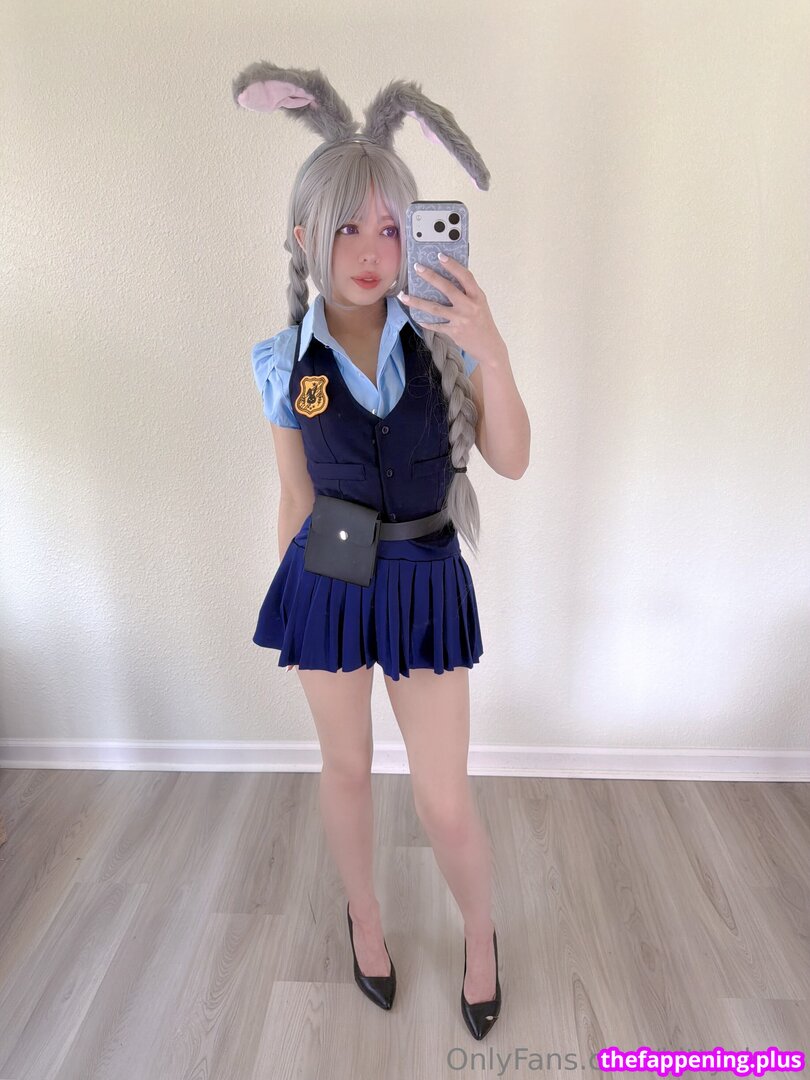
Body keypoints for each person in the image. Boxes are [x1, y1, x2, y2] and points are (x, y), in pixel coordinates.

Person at [233, 62, 530, 1040]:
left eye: (392, 228)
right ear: (303, 235)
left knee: (443, 799)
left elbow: (512, 459)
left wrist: (492, 346)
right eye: (347, 228)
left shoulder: (444, 337)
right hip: (326, 578)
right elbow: (295, 494)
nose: (372, 251)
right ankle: (364, 918)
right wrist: (295, 604)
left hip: (423, 575)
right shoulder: (285, 363)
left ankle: (480, 934)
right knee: (348, 769)